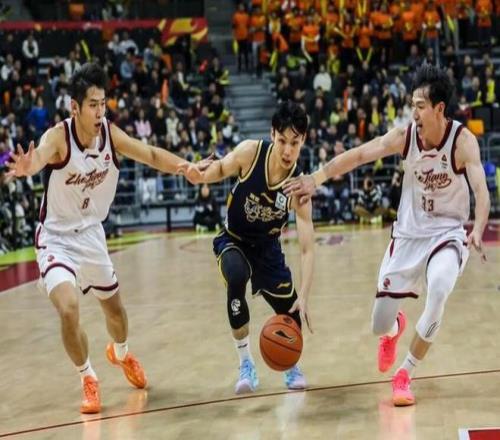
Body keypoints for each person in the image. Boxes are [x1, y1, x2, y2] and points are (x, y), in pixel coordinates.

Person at [284, 65, 490, 406]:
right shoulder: (404, 137)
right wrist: (315, 179)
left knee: (440, 288)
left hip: (447, 233)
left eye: (420, 106)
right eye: (412, 106)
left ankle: (405, 373)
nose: (414, 114)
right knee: (379, 324)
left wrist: (478, 228)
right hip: (408, 236)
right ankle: (394, 329)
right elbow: (359, 155)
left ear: (439, 108)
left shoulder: (463, 142)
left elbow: (481, 191)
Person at [6, 63, 203, 414]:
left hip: (92, 234)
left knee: (116, 312)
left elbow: (150, 154)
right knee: (69, 309)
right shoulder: (59, 137)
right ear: (75, 107)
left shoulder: (111, 135)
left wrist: (185, 167)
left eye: (103, 103)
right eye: (93, 105)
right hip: (56, 238)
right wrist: (27, 167)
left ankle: (121, 353)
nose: (100, 112)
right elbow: (38, 157)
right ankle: (88, 377)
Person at [179, 101, 314, 394]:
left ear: (303, 140)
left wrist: (304, 295)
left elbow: (307, 248)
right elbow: (220, 168)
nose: (287, 150)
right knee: (236, 276)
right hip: (234, 239)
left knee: (292, 312)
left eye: (294, 143)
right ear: (272, 134)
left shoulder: (299, 187)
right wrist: (199, 175)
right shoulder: (250, 153)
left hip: (268, 249)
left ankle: (290, 364)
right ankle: (246, 364)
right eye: (282, 141)